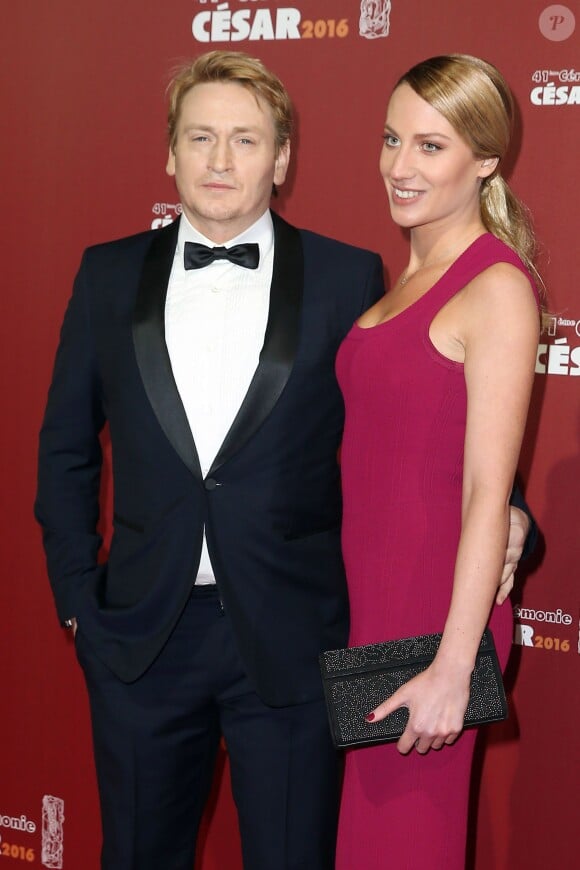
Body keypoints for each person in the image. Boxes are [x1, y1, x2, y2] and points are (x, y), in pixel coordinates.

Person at [35, 50, 533, 870]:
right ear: (169, 152)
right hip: (140, 642)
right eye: (200, 138)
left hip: (299, 641)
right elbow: (63, 452)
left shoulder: (348, 279)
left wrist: (518, 516)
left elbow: (430, 425)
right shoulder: (106, 275)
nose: (221, 161)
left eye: (245, 140)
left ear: (284, 158)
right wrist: (77, 605)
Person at [335, 55, 541, 870]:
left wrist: (455, 668)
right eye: (392, 139)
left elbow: (488, 489)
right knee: (371, 845)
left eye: (431, 146)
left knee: (401, 846)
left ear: (485, 159)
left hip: (432, 623)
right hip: (374, 606)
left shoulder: (496, 286)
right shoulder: (408, 275)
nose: (399, 165)